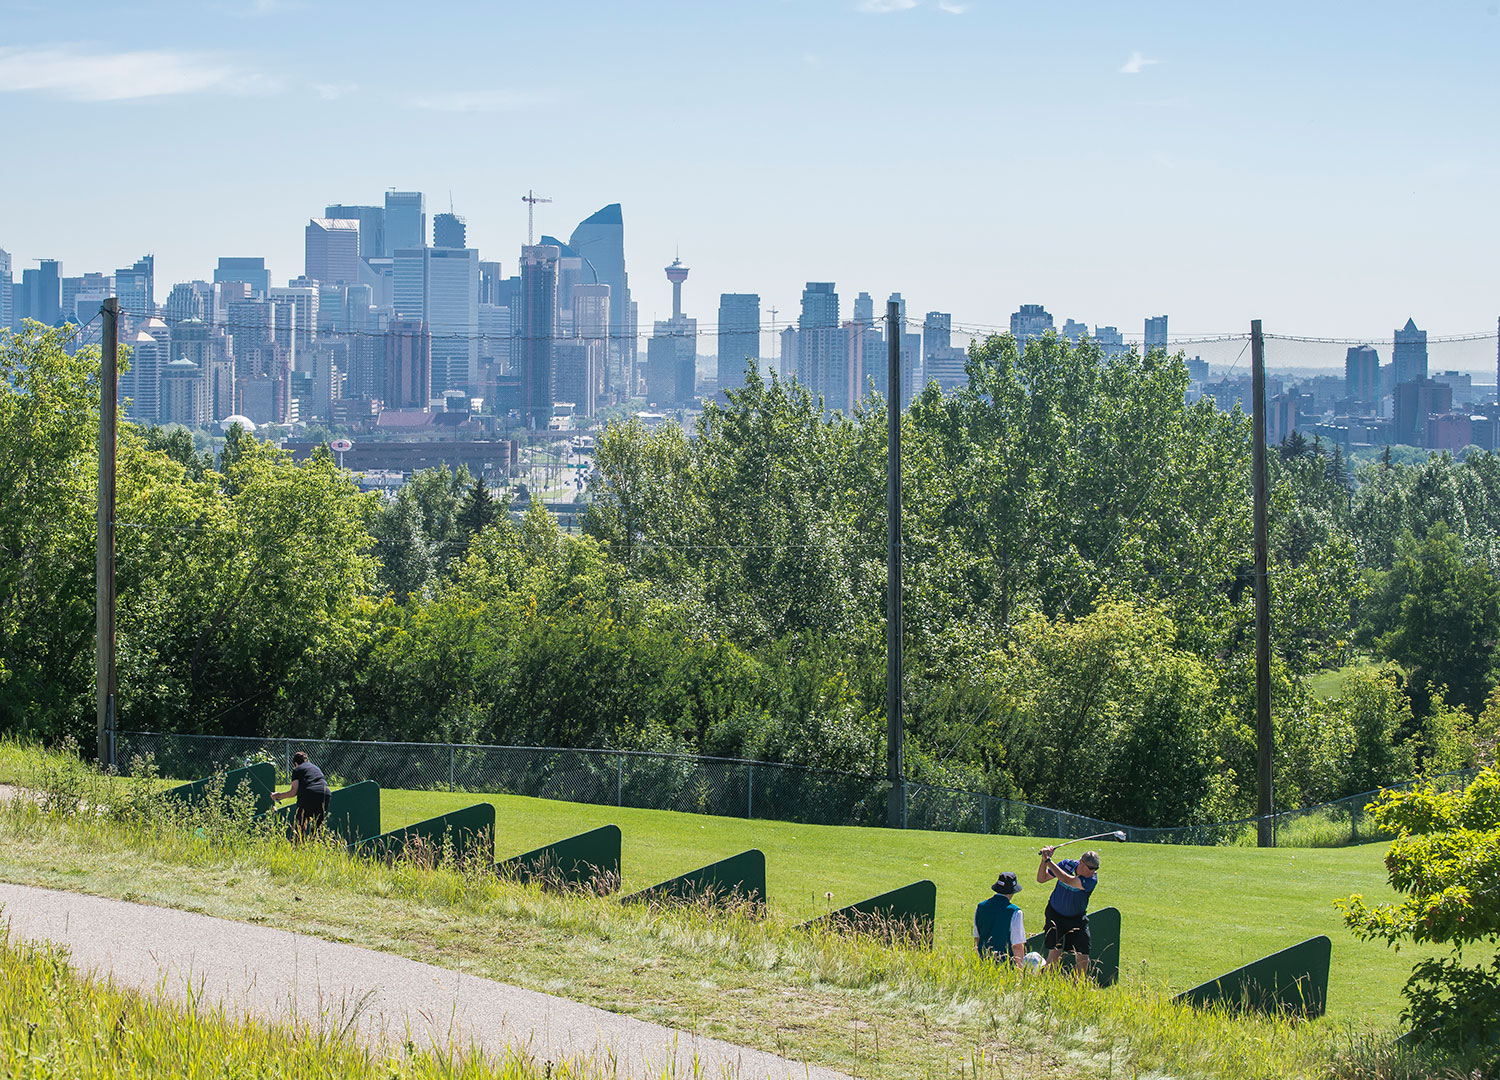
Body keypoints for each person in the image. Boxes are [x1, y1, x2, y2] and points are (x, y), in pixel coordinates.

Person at [1036, 846, 1100, 978]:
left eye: (1095, 869)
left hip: (1077, 918)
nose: (1092, 871)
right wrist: (1044, 860)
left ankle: (1078, 988)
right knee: (1055, 954)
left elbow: (1067, 880)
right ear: (1081, 862)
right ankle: (1045, 983)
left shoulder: (1091, 880)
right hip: (1055, 914)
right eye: (1090, 868)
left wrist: (1049, 860)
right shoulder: (1066, 864)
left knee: (1083, 956)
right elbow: (1041, 879)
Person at [973, 871, 1026, 967]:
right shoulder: (1015, 912)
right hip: (1006, 968)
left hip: (983, 965)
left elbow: (977, 938)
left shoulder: (980, 907)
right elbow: (1017, 945)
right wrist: (1021, 971)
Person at [271, 751, 330, 835]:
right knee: (317, 826)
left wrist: (278, 796)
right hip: (325, 793)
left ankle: (298, 844)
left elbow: (293, 792)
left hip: (309, 793)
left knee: (300, 824)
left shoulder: (297, 770)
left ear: (296, 763)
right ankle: (316, 844)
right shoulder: (316, 768)